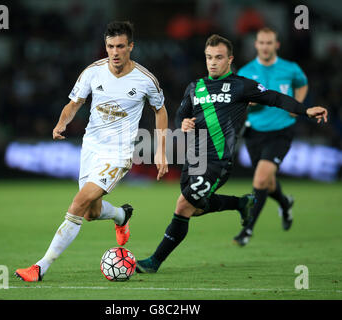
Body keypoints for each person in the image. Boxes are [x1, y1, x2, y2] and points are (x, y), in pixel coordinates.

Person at [136, 34, 327, 273]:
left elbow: (274, 97)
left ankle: (154, 262)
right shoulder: (195, 87)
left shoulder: (241, 86)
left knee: (184, 205)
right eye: (209, 57)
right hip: (194, 160)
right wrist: (183, 123)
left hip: (218, 161)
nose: (213, 62)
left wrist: (305, 110)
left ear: (230, 59)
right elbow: (180, 115)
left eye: (218, 57)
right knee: (194, 208)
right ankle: (241, 203)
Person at [15, 21, 169, 282]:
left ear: (131, 46)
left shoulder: (145, 79)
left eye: (121, 46)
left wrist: (161, 151)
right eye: (110, 46)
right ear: (105, 47)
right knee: (91, 213)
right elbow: (74, 103)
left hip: (119, 153)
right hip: (91, 148)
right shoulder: (92, 72)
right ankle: (121, 214)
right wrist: (62, 122)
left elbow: (160, 110)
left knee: (77, 204)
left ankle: (40, 267)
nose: (115, 52)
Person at [233, 27, 309, 246]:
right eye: (261, 43)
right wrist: (249, 102)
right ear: (256, 45)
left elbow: (302, 84)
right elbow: (240, 100)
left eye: (269, 43)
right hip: (255, 132)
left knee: (259, 179)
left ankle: (247, 231)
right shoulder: (247, 71)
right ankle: (285, 204)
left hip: (281, 130)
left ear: (277, 45)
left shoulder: (290, 68)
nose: (265, 46)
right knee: (268, 181)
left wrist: (298, 104)